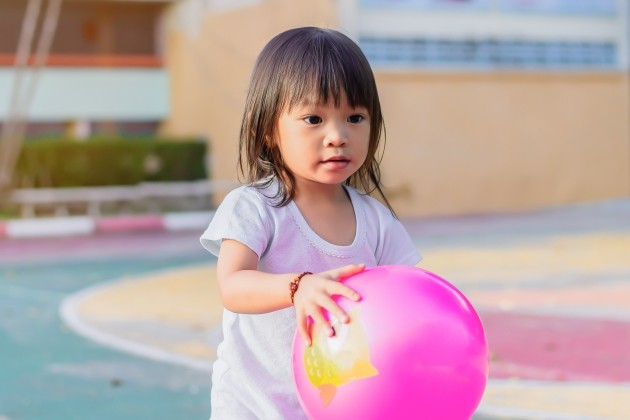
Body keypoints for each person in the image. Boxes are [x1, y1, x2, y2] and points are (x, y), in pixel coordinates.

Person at [200, 26, 421, 419]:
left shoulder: (376, 221)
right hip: (253, 405)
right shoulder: (254, 208)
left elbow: (409, 299)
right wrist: (298, 287)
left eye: (355, 116)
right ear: (266, 129)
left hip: (339, 404)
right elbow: (233, 285)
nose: (337, 136)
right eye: (314, 118)